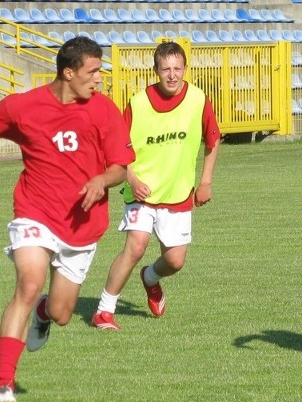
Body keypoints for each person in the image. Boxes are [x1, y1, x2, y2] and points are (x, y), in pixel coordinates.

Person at [0, 37, 135, 402]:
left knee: (61, 314)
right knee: (28, 284)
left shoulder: (104, 110)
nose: (99, 80)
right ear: (68, 72)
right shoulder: (22, 107)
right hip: (35, 212)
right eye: (93, 72)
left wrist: (100, 180)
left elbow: (120, 168)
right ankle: (3, 384)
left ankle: (44, 313)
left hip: (82, 226)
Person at [92, 41, 221, 330]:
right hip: (141, 191)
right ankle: (104, 310)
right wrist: (133, 179)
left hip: (178, 193)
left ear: (185, 69)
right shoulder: (137, 104)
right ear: (156, 71)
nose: (172, 75)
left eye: (177, 69)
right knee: (136, 246)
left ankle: (150, 277)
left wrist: (206, 181)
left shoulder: (199, 99)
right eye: (166, 69)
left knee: (175, 261)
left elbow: (213, 141)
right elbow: (119, 149)